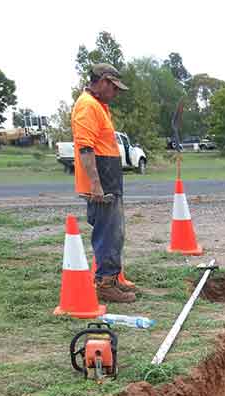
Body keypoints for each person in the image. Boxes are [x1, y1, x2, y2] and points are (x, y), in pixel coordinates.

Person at [71, 63, 135, 303]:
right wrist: (96, 186)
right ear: (104, 81)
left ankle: (112, 278)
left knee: (115, 232)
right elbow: (86, 148)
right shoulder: (87, 106)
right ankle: (105, 284)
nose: (116, 93)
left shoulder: (99, 105)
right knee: (108, 233)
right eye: (114, 87)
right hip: (102, 184)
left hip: (109, 179)